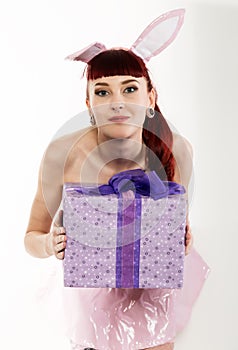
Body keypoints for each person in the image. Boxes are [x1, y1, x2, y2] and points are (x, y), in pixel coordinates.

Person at [24, 10, 209, 350]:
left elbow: (174, 233)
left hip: (151, 301)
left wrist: (184, 240)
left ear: (150, 98)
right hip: (91, 306)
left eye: (130, 88)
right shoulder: (62, 153)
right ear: (89, 104)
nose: (117, 102)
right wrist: (50, 244)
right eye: (103, 92)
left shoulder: (176, 149)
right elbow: (31, 237)